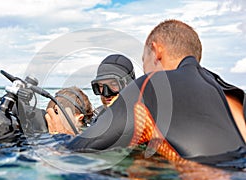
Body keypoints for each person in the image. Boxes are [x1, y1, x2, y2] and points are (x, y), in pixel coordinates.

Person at [46, 19, 246, 164]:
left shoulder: (153, 87)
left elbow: (76, 151)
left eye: (144, 60)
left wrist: (60, 137)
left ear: (156, 51)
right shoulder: (235, 96)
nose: (145, 69)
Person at [91, 54, 136, 122]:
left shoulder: (143, 117)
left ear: (129, 85)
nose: (106, 94)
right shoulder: (98, 116)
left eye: (114, 84)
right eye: (101, 86)